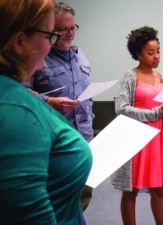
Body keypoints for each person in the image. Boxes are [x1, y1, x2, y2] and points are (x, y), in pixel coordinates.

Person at [0, 0, 92, 224]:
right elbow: (28, 214)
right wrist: (48, 102)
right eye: (50, 34)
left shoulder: (80, 55)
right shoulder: (17, 108)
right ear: (20, 41)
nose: (51, 45)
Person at [30, 2, 93, 211]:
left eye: (73, 27)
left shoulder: (80, 55)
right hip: (54, 146)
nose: (70, 33)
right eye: (64, 29)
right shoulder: (38, 56)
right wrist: (49, 102)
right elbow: (21, 94)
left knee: (83, 198)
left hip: (83, 141)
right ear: (51, 30)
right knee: (57, 204)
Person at [111, 26, 163, 225]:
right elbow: (121, 108)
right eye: (150, 52)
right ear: (138, 54)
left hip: (156, 138)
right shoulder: (131, 76)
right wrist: (156, 112)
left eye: (158, 51)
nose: (156, 56)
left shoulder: (161, 77)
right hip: (135, 139)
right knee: (131, 190)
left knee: (158, 190)